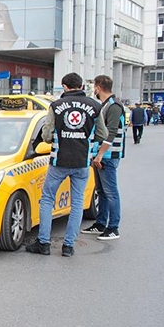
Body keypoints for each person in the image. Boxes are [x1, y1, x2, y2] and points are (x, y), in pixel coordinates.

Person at [26, 73, 108, 257]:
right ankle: (69, 246)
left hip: (59, 161)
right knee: (77, 203)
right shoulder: (95, 106)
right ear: (81, 85)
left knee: (47, 199)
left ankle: (43, 243)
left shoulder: (55, 106)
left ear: (64, 86)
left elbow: (46, 136)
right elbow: (102, 134)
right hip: (82, 162)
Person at [80, 75, 125, 241]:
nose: (94, 90)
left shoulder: (114, 106)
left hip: (108, 155)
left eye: (94, 87)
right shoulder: (105, 105)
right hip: (100, 155)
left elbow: (111, 133)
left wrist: (99, 155)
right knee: (101, 192)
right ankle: (100, 223)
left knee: (111, 192)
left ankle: (113, 227)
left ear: (98, 87)